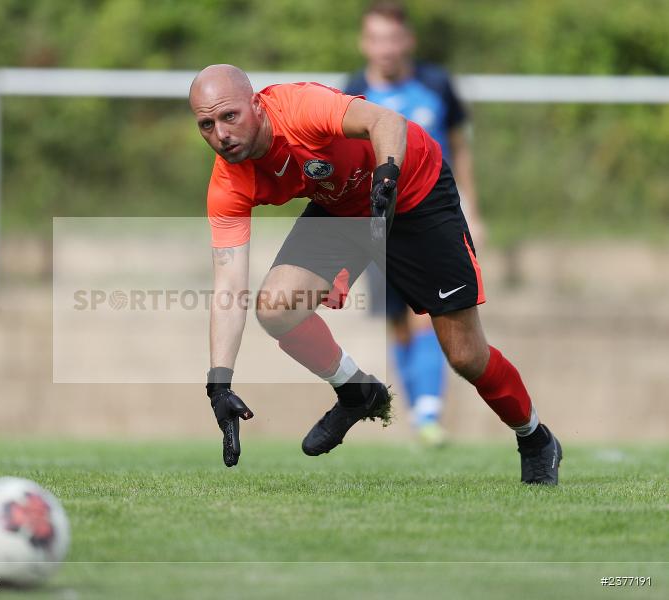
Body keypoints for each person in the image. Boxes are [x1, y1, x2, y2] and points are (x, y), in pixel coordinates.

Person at [188, 63, 562, 485]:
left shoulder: (299, 108)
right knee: (274, 308)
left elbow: (387, 121)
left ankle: (536, 438)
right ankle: (357, 392)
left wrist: (386, 176)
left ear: (256, 105)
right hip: (345, 208)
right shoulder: (228, 183)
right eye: (207, 124)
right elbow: (229, 286)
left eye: (229, 116)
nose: (221, 133)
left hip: (414, 190)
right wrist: (218, 385)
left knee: (465, 355)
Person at [343, 1, 483, 446]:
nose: (384, 48)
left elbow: (459, 147)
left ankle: (428, 411)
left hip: (434, 217)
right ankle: (421, 408)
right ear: (365, 43)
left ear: (408, 40)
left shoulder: (436, 84)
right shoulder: (353, 91)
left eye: (392, 38)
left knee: (432, 315)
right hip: (379, 223)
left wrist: (472, 208)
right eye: (375, 38)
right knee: (398, 321)